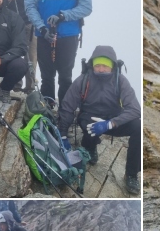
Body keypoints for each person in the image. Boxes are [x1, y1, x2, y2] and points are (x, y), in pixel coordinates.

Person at [57, 46, 141, 195]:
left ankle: (132, 174)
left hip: (114, 120)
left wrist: (110, 123)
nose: (101, 69)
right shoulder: (83, 80)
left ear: (112, 66)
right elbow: (67, 107)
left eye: (105, 66)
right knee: (89, 125)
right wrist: (62, 134)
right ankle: (90, 147)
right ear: (92, 65)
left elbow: (135, 109)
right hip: (90, 117)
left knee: (138, 126)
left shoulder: (120, 81)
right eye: (98, 65)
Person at [25, 0, 92, 104]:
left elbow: (86, 7)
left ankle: (65, 111)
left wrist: (63, 16)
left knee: (65, 75)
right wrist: (41, 28)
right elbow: (29, 4)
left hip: (68, 35)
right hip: (44, 35)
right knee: (47, 76)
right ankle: (48, 110)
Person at [2, 0, 39, 91]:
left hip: (32, 24)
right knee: (14, 55)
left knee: (32, 57)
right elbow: (1, 3)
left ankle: (30, 88)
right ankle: (15, 86)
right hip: (15, 26)